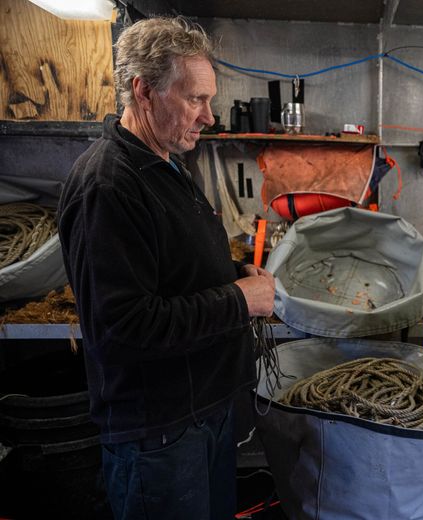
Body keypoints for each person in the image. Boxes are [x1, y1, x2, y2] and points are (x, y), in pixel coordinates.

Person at [57, 17, 276, 520]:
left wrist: (234, 271)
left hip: (200, 416)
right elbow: (124, 329)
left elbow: (174, 268)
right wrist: (240, 301)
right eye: (195, 99)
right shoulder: (108, 186)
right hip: (159, 435)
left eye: (209, 99)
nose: (210, 116)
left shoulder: (169, 163)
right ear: (144, 91)